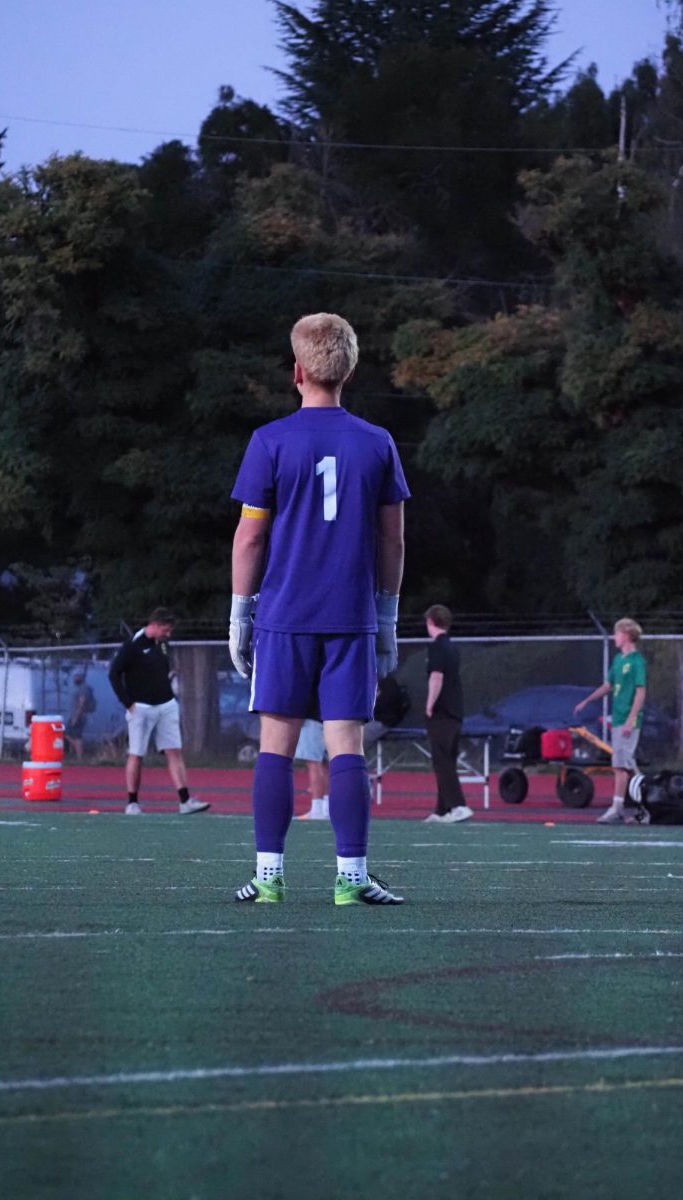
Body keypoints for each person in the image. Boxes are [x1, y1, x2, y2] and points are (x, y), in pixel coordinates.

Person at [228, 312, 409, 905]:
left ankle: (270, 879)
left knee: (275, 748)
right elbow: (393, 540)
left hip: (284, 618)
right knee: (346, 748)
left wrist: (239, 613)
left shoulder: (269, 441)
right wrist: (386, 617)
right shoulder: (378, 442)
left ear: (298, 371)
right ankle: (351, 880)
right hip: (351, 617)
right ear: (350, 370)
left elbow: (250, 537)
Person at [108, 607, 209, 816]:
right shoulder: (133, 645)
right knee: (137, 754)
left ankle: (185, 801)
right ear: (154, 625)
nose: (168, 634)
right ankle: (132, 803)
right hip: (141, 708)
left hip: (166, 705)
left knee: (174, 752)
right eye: (166, 629)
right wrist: (128, 703)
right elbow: (114, 674)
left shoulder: (163, 645)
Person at [574, 617, 647, 824]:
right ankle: (644, 806)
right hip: (618, 719)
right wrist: (587, 701)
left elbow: (641, 693)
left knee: (620, 766)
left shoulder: (637, 662)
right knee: (626, 764)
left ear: (626, 634)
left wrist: (631, 720)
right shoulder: (618, 660)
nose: (614, 637)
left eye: (617, 633)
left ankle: (617, 807)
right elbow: (608, 686)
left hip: (627, 721)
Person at [423, 605, 472, 824]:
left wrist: (429, 704)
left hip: (443, 711)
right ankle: (442, 809)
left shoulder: (437, 647)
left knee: (441, 761)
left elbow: (436, 677)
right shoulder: (452, 647)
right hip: (456, 710)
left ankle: (458, 805)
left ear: (431, 621)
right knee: (447, 759)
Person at [296, 719, 330, 820]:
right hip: (327, 719)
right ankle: (326, 809)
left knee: (314, 762)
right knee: (324, 764)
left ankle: (317, 810)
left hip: (313, 719)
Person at [66, 669, 94, 761]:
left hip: (79, 715)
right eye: (74, 676)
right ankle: (75, 754)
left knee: (77, 736)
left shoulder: (83, 688)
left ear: (81, 677)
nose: (75, 678)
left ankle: (80, 756)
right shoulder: (79, 687)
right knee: (69, 734)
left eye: (77, 676)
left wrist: (76, 717)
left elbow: (82, 703)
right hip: (75, 714)